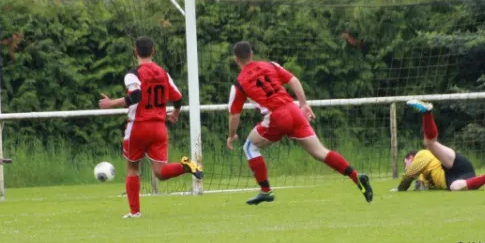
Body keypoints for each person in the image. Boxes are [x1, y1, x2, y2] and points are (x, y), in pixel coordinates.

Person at [226, 41, 373, 205]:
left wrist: (232, 135)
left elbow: (234, 115)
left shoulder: (238, 84)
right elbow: (293, 80)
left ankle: (266, 190)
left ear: (236, 59)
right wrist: (303, 104)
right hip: (294, 110)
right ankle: (355, 176)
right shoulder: (270, 65)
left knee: (249, 147)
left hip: (276, 117)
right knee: (320, 152)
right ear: (252, 54)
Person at [99, 36, 203, 218]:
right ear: (153, 51)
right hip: (159, 128)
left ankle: (135, 212)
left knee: (132, 169)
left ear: (135, 52)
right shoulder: (163, 73)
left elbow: (136, 95)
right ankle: (186, 166)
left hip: (138, 127)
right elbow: (178, 98)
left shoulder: (133, 73)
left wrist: (111, 103)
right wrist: (175, 114)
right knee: (160, 172)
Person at [395, 100, 485, 192]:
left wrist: (400, 189)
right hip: (452, 179)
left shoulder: (422, 154)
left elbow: (409, 175)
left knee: (429, 144)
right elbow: (422, 185)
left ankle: (426, 112)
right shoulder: (423, 173)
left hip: (453, 165)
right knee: (455, 187)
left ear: (410, 158)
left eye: (405, 163)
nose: (405, 167)